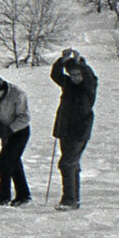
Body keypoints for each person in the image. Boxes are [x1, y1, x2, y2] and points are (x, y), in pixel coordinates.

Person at [50, 49, 98, 210]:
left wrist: (80, 63)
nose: (76, 78)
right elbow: (55, 75)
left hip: (80, 132)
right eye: (73, 75)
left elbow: (89, 77)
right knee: (72, 164)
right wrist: (62, 60)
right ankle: (74, 199)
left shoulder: (89, 87)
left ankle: (69, 199)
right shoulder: (68, 85)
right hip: (65, 130)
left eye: (78, 75)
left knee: (66, 164)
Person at [0, 75, 32, 206]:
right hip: (4, 131)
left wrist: (10, 129)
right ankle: (23, 195)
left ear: (2, 89)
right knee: (13, 163)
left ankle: (4, 196)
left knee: (4, 163)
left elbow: (25, 117)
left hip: (19, 132)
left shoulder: (18, 94)